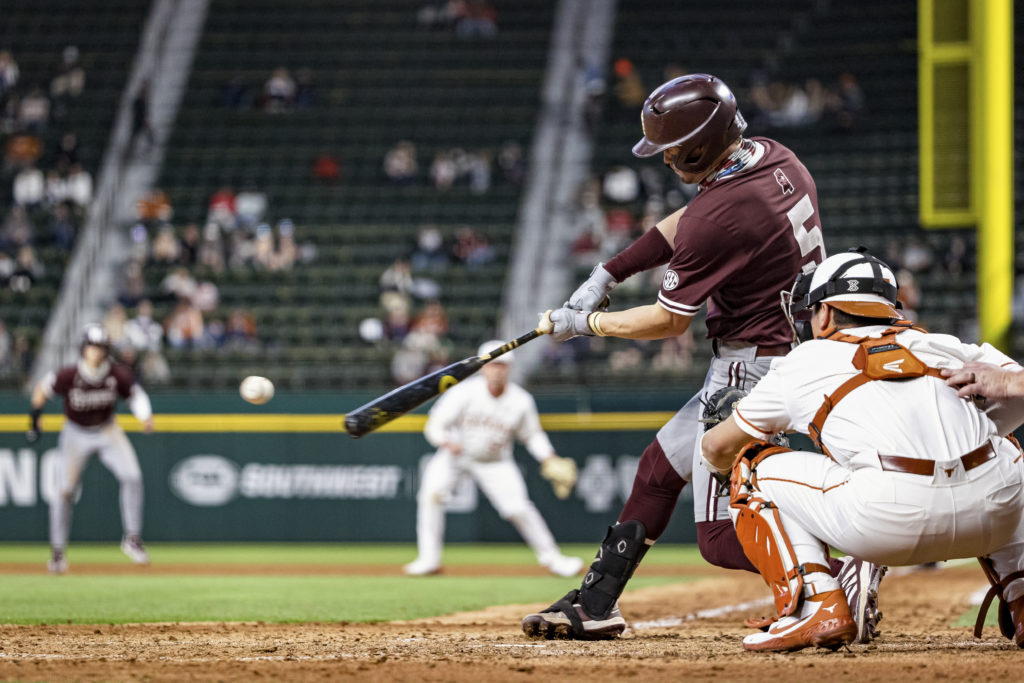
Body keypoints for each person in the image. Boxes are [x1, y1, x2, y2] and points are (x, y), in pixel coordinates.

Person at [522, 73, 883, 642]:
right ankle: (596, 604)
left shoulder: (722, 216)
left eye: (670, 150)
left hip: (752, 366)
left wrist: (585, 324)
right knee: (659, 469)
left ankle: (839, 577)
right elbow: (688, 222)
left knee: (718, 537)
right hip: (795, 349)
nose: (664, 161)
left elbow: (669, 320)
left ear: (696, 147)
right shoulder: (771, 156)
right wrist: (609, 271)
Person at [701, 250, 1024, 651]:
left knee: (751, 468)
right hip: (994, 516)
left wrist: (723, 472)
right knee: (1002, 451)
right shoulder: (943, 345)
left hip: (885, 523)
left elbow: (718, 445)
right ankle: (1022, 596)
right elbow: (1018, 398)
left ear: (825, 313)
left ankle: (818, 604)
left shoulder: (805, 359)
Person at [404, 341, 584, 577]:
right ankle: (428, 559)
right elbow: (435, 423)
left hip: (495, 461)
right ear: (482, 367)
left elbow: (532, 436)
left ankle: (554, 559)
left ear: (509, 368)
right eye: (492, 364)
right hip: (455, 455)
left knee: (518, 508)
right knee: (430, 495)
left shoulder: (521, 400)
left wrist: (548, 457)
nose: (497, 369)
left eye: (502, 365)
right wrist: (445, 441)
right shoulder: (464, 392)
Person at [28, 324, 155, 574]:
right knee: (64, 491)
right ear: (83, 348)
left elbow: (136, 395)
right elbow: (42, 389)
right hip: (75, 432)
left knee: (132, 476)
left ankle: (132, 539)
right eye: (91, 347)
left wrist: (145, 416)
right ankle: (57, 552)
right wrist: (34, 418)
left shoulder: (116, 374)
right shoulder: (70, 374)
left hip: (107, 430)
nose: (95, 352)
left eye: (100, 347)